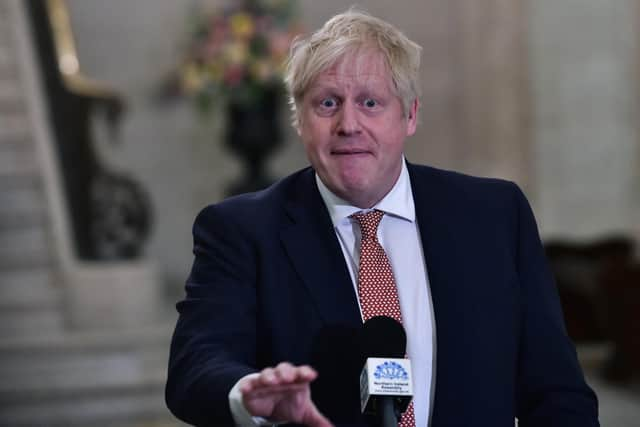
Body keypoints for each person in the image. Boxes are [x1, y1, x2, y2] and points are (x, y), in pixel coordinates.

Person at [166, 9, 599, 427]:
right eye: (327, 103)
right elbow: (196, 365)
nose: (348, 124)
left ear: (409, 115)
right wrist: (247, 395)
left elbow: (556, 392)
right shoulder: (241, 231)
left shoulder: (494, 216)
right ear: (300, 122)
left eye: (370, 102)